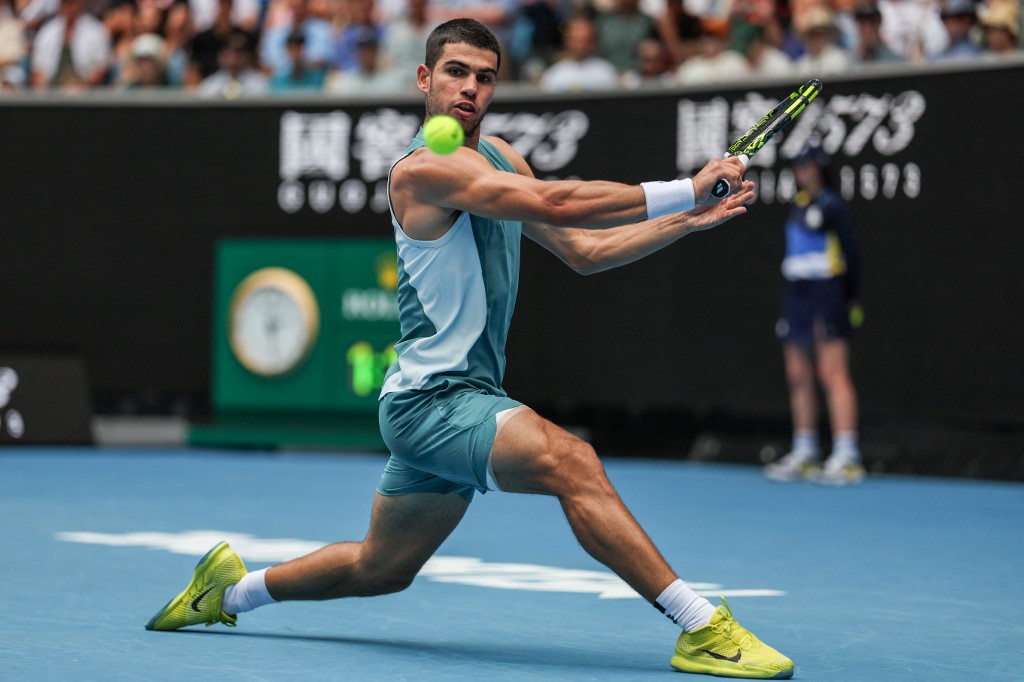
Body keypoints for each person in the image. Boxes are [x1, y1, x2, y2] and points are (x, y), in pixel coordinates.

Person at [145, 18, 793, 680]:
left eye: (485, 77)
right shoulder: (424, 172)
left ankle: (223, 592)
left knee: (380, 569)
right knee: (574, 463)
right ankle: (702, 629)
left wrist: (686, 220)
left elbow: (585, 251)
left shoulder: (504, 156)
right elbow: (559, 202)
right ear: (425, 79)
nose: (470, 88)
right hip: (432, 402)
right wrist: (686, 186)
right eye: (455, 71)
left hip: (461, 400)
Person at [764, 146, 865, 487]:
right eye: (797, 166)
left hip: (828, 294)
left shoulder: (834, 207)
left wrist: (850, 299)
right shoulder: (798, 205)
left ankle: (847, 455)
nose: (801, 171)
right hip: (797, 295)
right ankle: (805, 451)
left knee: (832, 373)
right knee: (797, 374)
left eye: (807, 166)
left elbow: (852, 255)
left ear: (821, 169)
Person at [538, 13, 618, 92]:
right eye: (575, 41)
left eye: (584, 41)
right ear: (566, 41)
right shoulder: (553, 75)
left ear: (593, 42)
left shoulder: (606, 73)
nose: (580, 47)